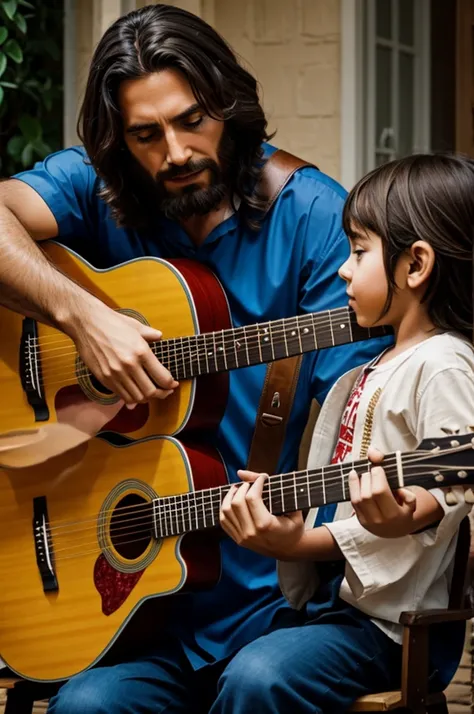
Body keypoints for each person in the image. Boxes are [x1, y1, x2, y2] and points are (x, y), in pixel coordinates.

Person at [0, 4, 390, 713]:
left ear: (229, 108)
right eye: (146, 135)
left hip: (285, 599)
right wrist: (81, 315)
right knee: (87, 708)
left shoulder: (314, 222)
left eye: (193, 121)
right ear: (119, 142)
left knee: (256, 682)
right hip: (148, 604)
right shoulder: (99, 191)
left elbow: (355, 432)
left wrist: (303, 534)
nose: (175, 152)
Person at [219, 153, 474, 713]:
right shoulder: (364, 371)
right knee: (225, 658)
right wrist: (287, 529)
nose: (342, 270)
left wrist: (413, 511)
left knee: (259, 677)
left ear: (416, 265)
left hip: (394, 631)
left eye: (359, 252)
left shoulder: (446, 364)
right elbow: (341, 509)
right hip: (335, 610)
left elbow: (449, 486)